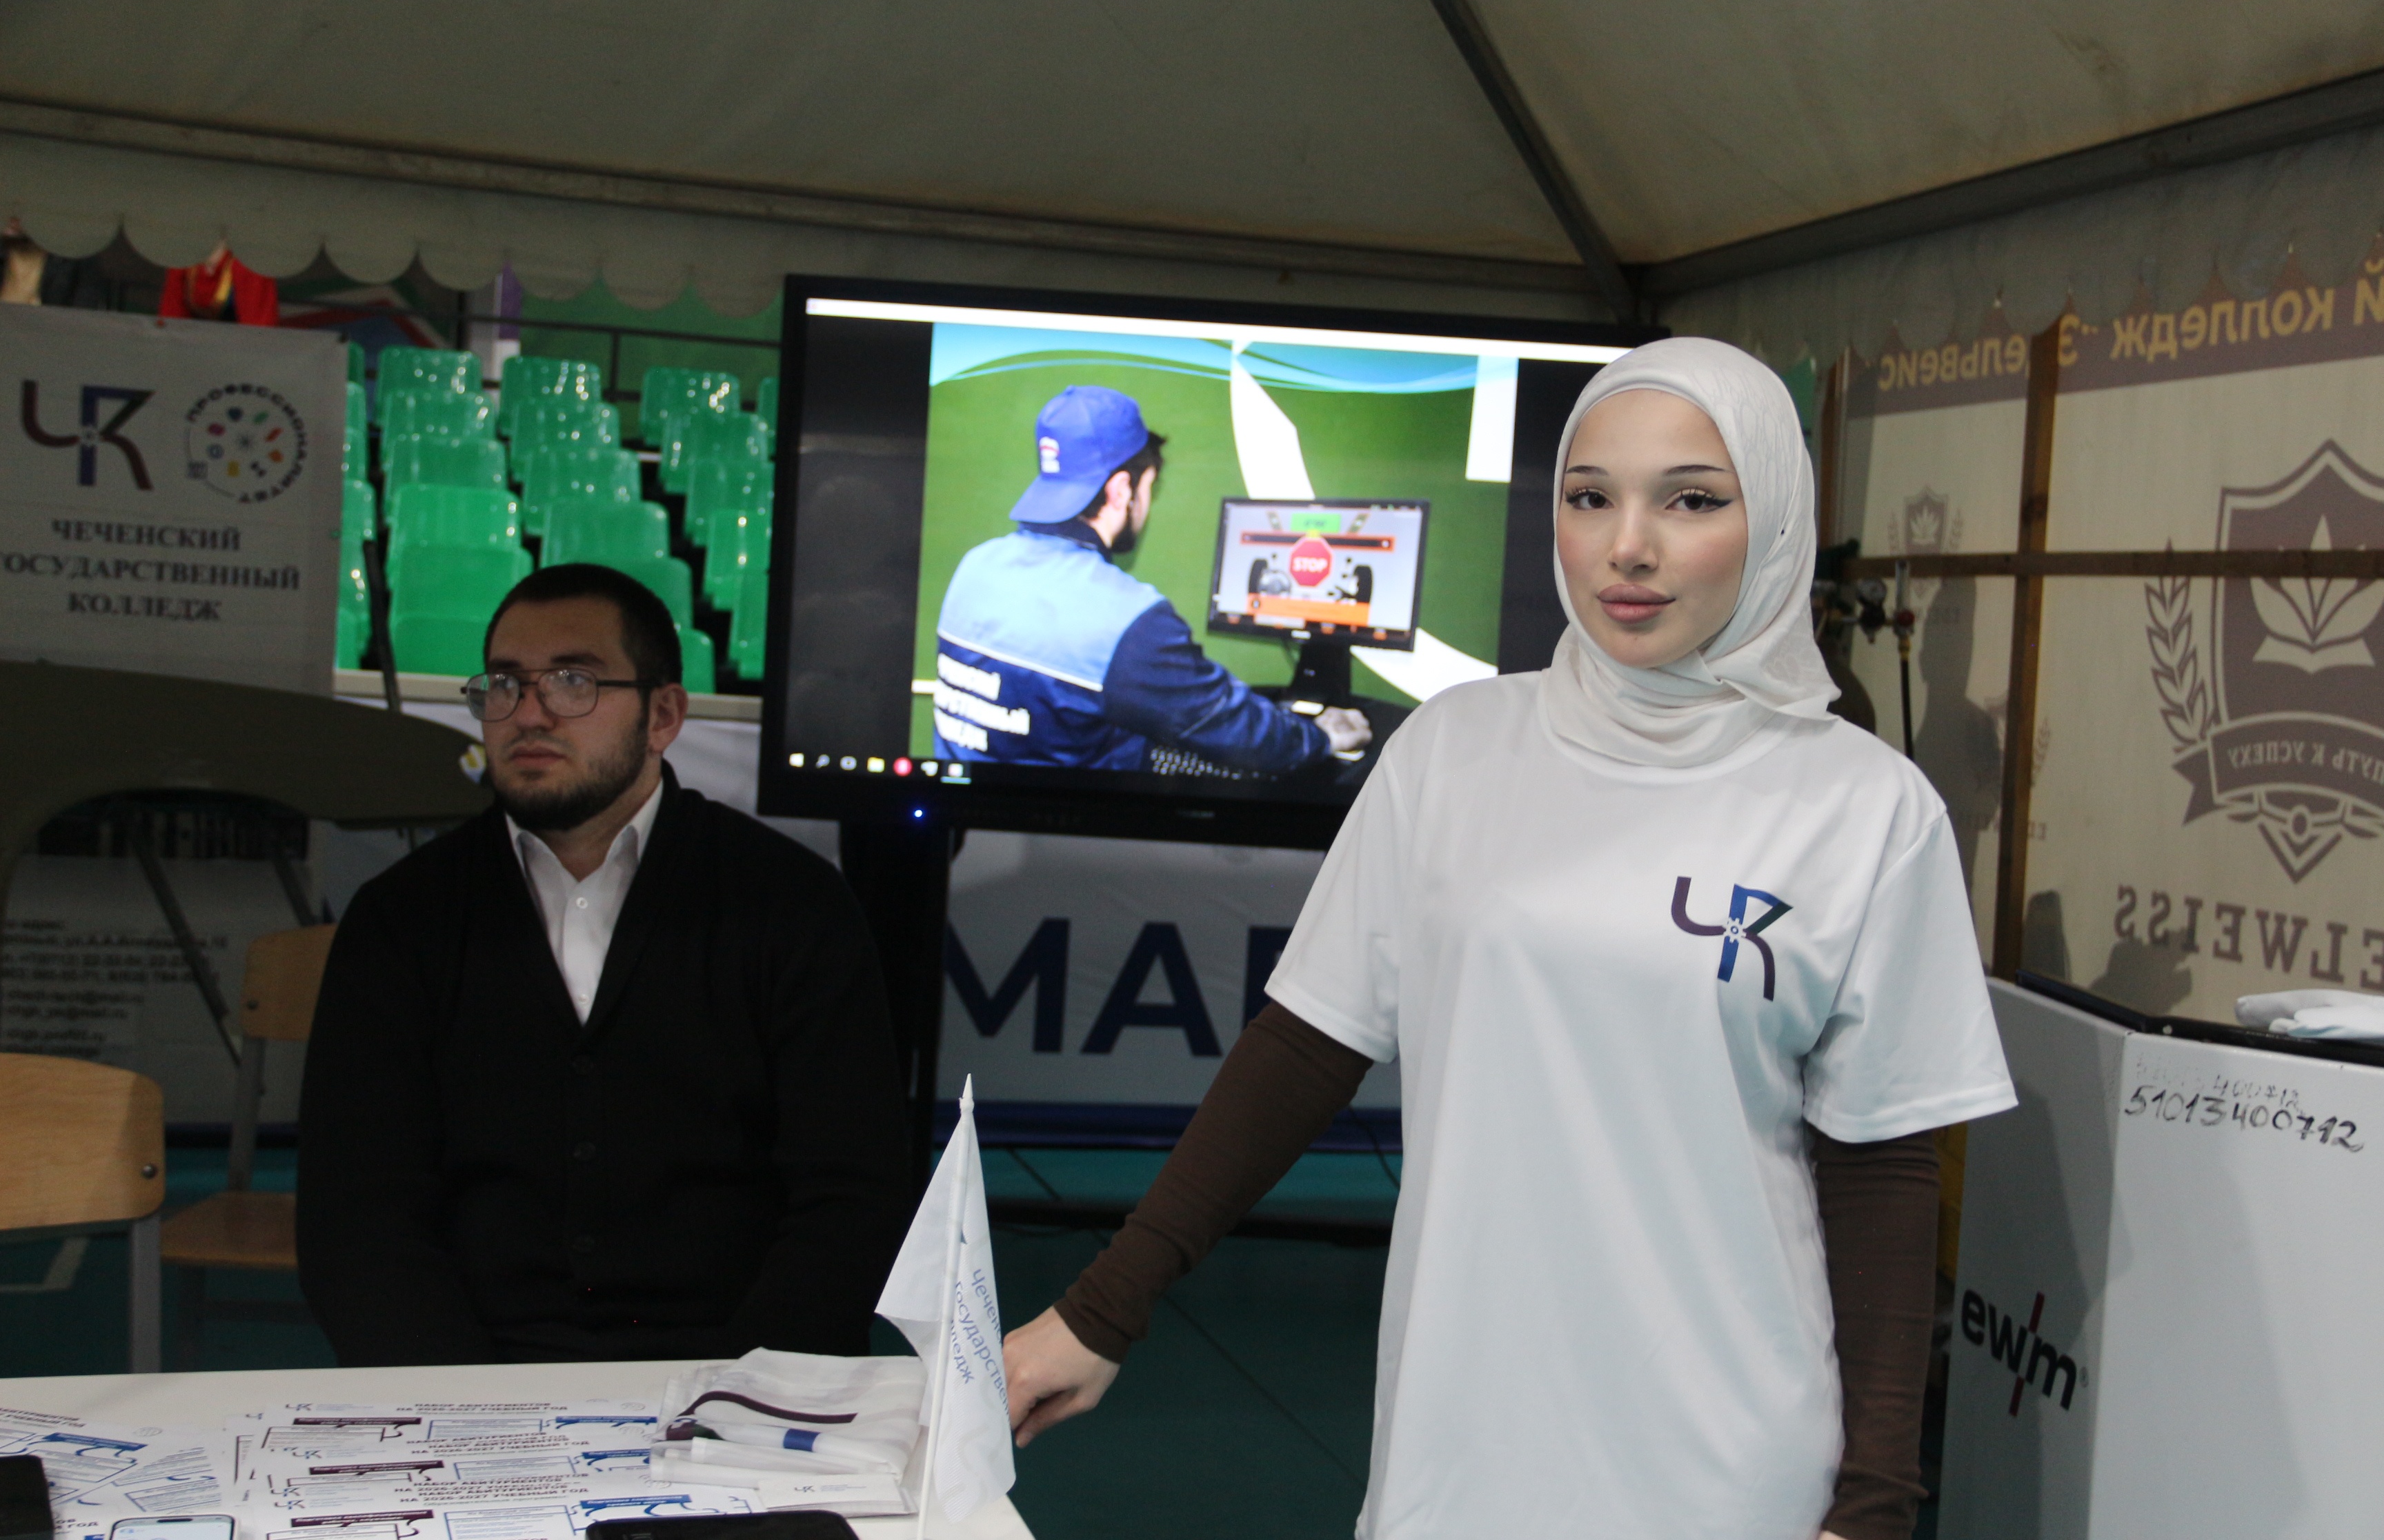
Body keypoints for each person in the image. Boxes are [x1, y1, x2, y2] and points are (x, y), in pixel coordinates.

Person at [1000, 341, 2016, 1540]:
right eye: (1590, 496)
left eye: (1692, 500)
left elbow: (1881, 1169)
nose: (1628, 545)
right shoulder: (1452, 750)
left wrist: (1878, 1503)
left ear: (1778, 519)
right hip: (1461, 1448)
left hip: (1733, 1468)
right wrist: (1100, 1309)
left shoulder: (1868, 810)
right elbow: (1305, 1051)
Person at [298, 563, 912, 1364]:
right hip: (471, 1382)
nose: (528, 713)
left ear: (663, 715)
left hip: (732, 1381)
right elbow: (358, 1214)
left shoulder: (792, 905)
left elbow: (852, 1199)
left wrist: (744, 1400)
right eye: (505, 684)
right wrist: (461, 1406)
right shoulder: (401, 917)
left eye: (574, 682)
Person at [932, 384, 1371, 772]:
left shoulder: (976, 566)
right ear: (1122, 490)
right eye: (1148, 488)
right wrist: (1320, 737)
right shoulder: (1127, 619)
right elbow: (1238, 732)